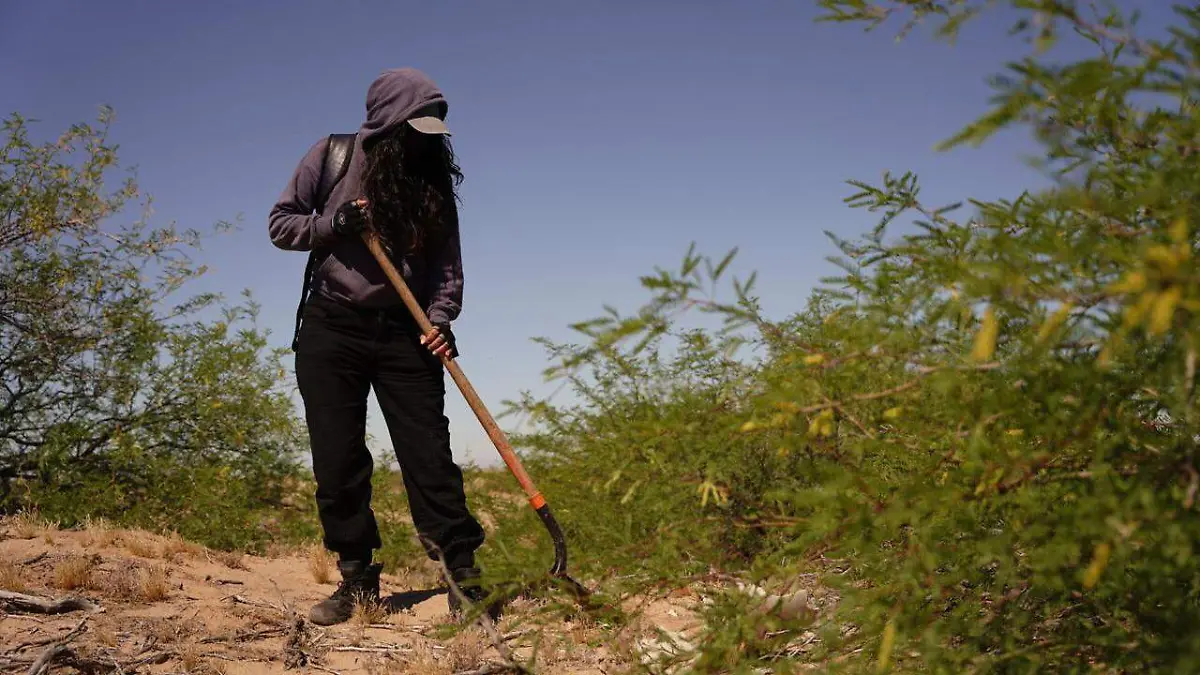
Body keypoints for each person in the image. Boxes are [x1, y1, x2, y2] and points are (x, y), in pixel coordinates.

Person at [267, 67, 487, 626]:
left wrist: (440, 319)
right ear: (386, 124)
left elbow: (447, 268)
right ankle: (356, 578)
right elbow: (281, 225)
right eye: (414, 129)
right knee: (338, 459)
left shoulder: (431, 181)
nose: (423, 141)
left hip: (406, 331)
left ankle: (462, 576)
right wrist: (334, 224)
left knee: (429, 456)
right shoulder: (332, 156)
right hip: (332, 325)